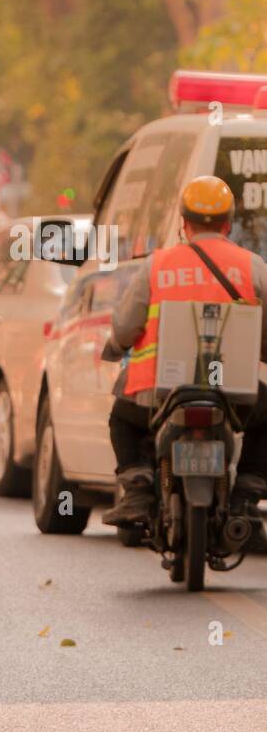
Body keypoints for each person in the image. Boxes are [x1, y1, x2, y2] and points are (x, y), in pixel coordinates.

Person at [102, 176, 267, 526]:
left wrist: (116, 347)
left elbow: (125, 326)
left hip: (160, 389)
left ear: (184, 222)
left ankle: (138, 492)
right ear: (228, 223)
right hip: (232, 390)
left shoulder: (157, 265)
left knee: (121, 418)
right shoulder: (252, 267)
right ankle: (246, 499)